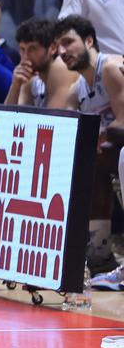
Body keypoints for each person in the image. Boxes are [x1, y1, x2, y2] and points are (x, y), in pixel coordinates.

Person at [54, 15, 124, 277]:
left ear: (89, 40)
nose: (62, 51)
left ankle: (100, 251)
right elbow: (68, 132)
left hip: (119, 149)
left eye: (68, 43)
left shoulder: (111, 68)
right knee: (80, 161)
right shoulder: (76, 90)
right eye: (58, 46)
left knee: (96, 158)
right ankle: (97, 254)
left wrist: (95, 137)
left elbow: (123, 126)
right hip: (110, 153)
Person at [4, 17, 76, 109]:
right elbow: (8, 119)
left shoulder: (61, 66)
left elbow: (55, 119)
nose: (25, 56)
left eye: (32, 49)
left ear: (53, 48)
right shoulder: (30, 79)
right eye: (22, 49)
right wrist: (15, 86)